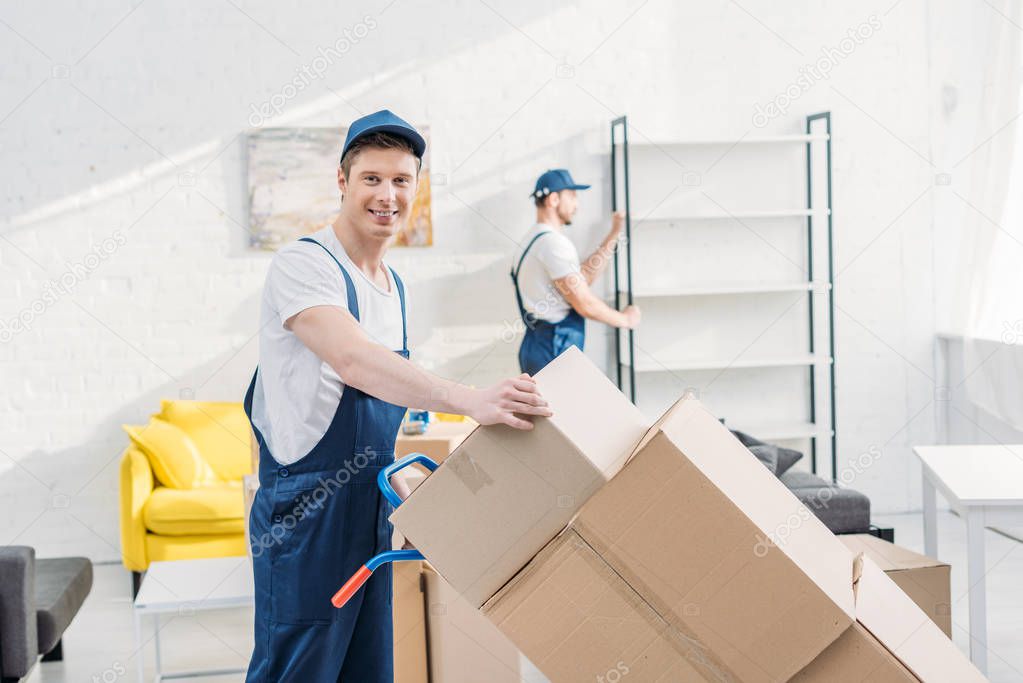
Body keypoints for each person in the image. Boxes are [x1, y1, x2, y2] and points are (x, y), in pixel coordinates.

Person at [243, 110, 551, 682]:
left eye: (402, 180)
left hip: (369, 511)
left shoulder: (392, 287)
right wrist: (473, 399)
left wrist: (395, 482)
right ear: (343, 182)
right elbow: (354, 361)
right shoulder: (304, 265)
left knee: (368, 670)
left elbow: (381, 398)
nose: (388, 195)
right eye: (372, 178)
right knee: (299, 671)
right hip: (308, 514)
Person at [510, 169, 641, 374]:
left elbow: (580, 280)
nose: (576, 205)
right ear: (553, 199)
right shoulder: (553, 243)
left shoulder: (533, 239)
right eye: (572, 196)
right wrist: (625, 320)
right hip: (554, 350)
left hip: (537, 346)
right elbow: (583, 302)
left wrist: (615, 233)